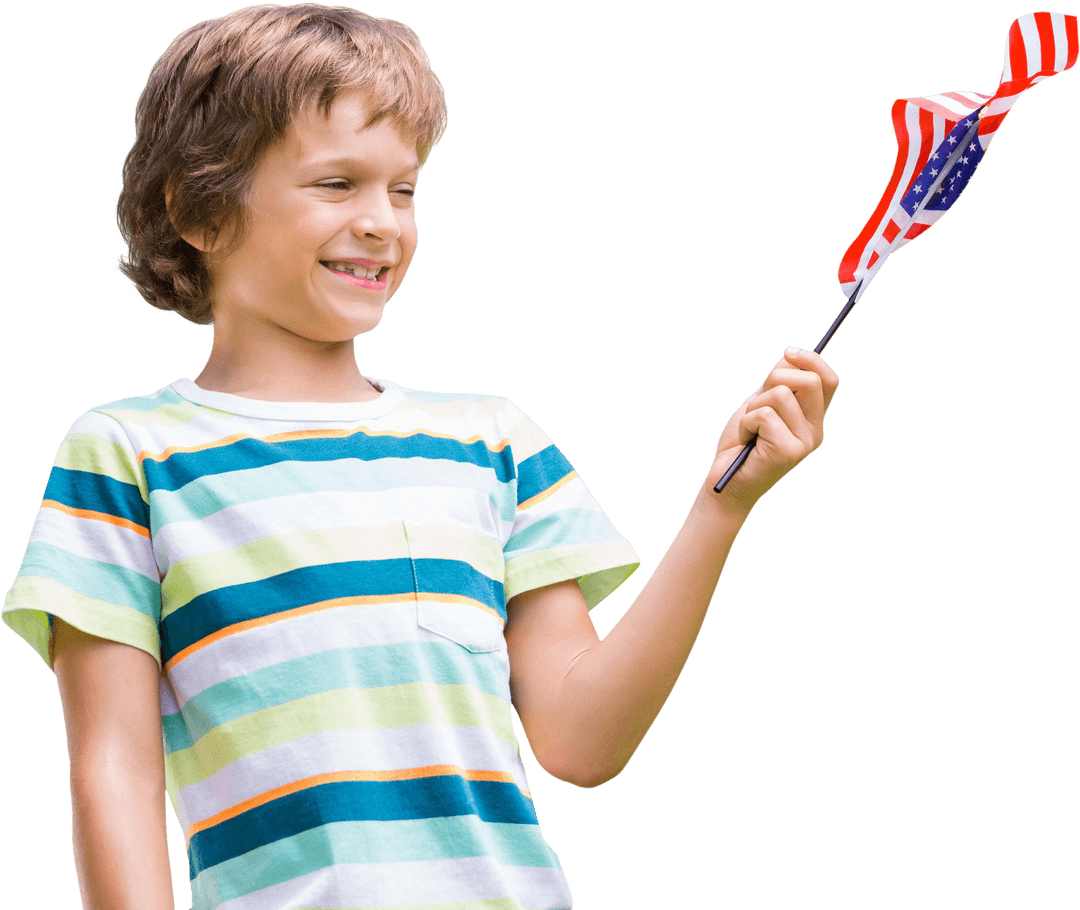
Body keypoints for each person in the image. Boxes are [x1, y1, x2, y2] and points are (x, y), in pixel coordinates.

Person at [0, 4, 839, 909]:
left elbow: (581, 743)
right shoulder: (128, 453)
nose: (381, 224)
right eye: (336, 184)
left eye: (403, 190)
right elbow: (113, 768)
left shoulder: (491, 441)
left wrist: (724, 508)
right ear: (200, 208)